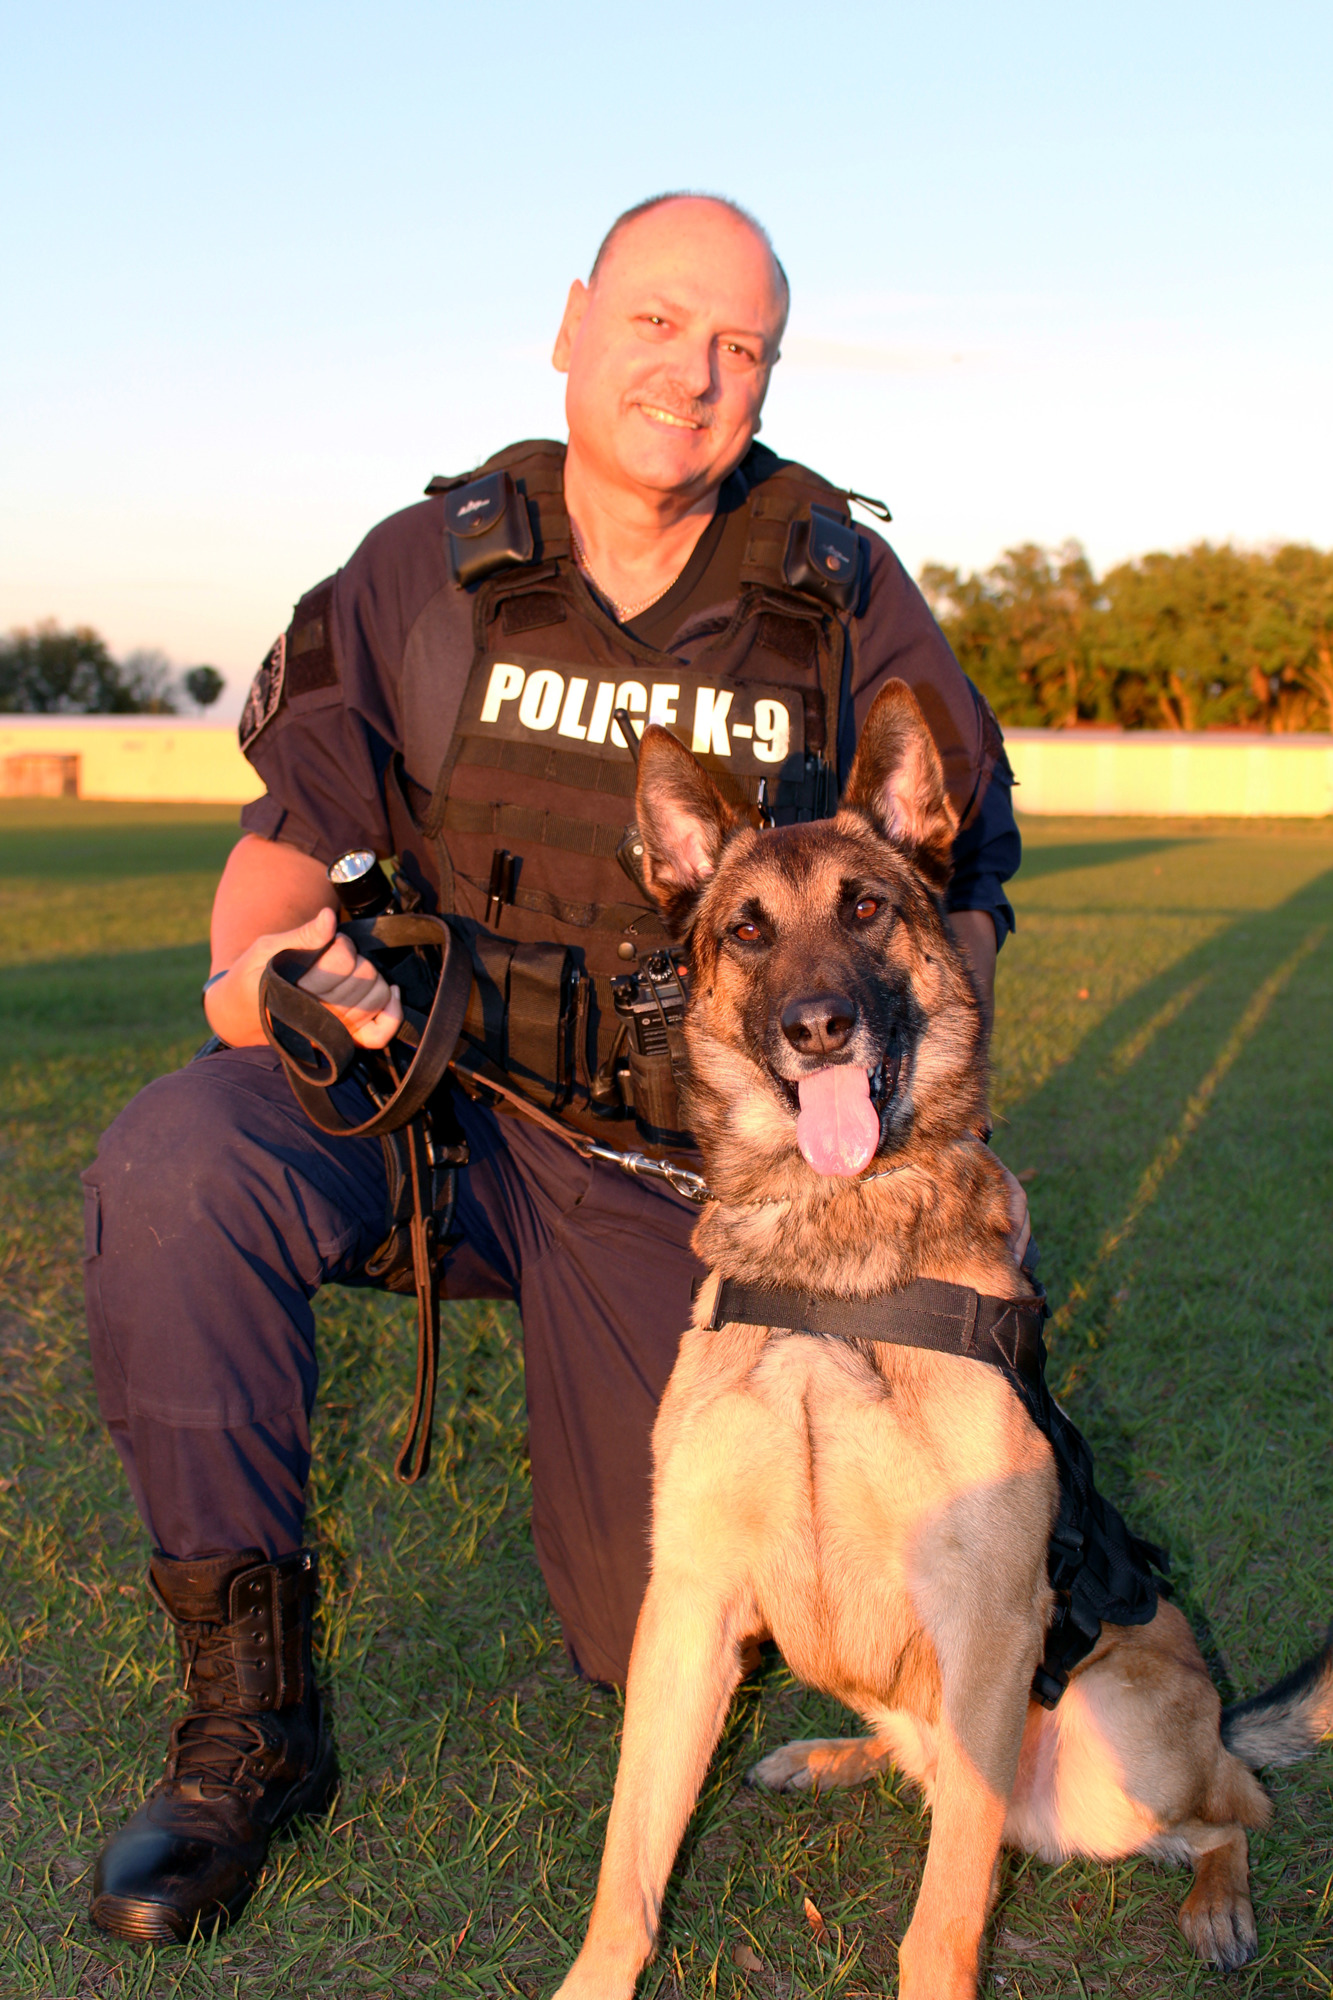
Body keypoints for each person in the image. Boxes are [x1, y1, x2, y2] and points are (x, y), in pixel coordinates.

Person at [81, 192, 1024, 1944]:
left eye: (742, 346)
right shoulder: (425, 567)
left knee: (639, 1625)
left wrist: (883, 1124)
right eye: (662, 322)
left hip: (681, 1184)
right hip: (439, 1106)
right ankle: (243, 1733)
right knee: (177, 1162)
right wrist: (274, 976)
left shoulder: (833, 587)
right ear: (574, 321)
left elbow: (957, 885)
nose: (695, 372)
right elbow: (264, 894)